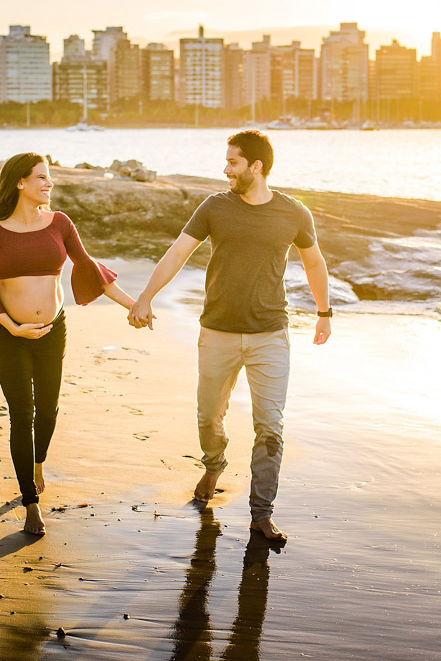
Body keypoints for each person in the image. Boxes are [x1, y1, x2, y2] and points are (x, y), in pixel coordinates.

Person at [128, 130, 332, 542]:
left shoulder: (293, 213)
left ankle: (261, 513)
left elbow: (314, 263)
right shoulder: (214, 207)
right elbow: (177, 253)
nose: (226, 169)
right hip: (217, 331)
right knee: (208, 416)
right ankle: (214, 464)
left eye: (233, 162)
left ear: (256, 167)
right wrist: (145, 297)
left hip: (270, 335)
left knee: (270, 426)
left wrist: (324, 312)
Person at [0, 152, 135, 535]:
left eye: (49, 177)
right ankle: (30, 502)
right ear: (20, 183)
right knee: (22, 415)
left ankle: (38, 462)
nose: (48, 184)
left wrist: (134, 305)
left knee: (49, 410)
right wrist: (11, 326)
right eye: (41, 177)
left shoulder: (60, 223)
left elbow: (89, 267)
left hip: (52, 330)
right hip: (8, 334)